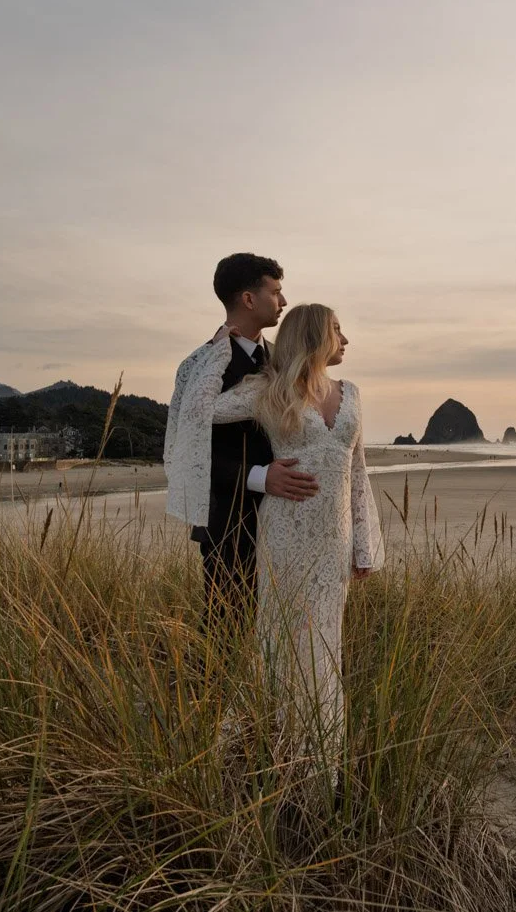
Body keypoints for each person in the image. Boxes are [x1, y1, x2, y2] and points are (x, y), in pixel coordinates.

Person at [193, 304, 385, 762]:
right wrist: (219, 346)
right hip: (285, 533)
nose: (346, 338)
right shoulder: (268, 390)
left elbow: (358, 475)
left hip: (334, 540)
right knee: (284, 639)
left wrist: (365, 546)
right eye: (337, 329)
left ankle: (319, 753)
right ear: (315, 336)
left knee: (325, 644)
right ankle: (282, 747)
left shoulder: (352, 392)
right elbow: (199, 411)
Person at [165, 253, 319, 647]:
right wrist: (259, 476)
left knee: (281, 628)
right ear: (249, 300)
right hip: (229, 519)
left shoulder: (283, 361)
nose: (283, 302)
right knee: (227, 628)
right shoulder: (198, 365)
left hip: (286, 516)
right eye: (276, 292)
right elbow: (190, 446)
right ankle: (212, 706)